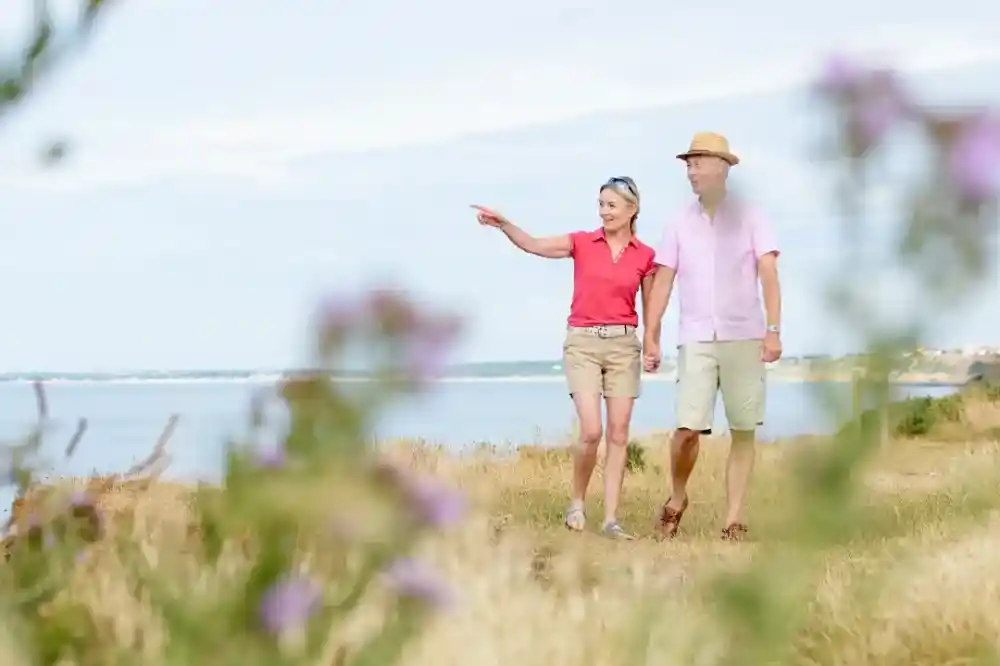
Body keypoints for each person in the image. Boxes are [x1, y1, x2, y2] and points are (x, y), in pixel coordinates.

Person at [472, 177, 656, 540]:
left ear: (632, 209)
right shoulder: (582, 242)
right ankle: (576, 502)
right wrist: (505, 224)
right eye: (601, 204)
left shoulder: (645, 255)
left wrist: (652, 344)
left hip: (623, 345)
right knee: (592, 430)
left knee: (619, 434)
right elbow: (534, 245)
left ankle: (611, 520)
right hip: (583, 344)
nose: (604, 212)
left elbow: (652, 307)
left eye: (611, 205)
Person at [643, 132, 782, 542]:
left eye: (698, 163)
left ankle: (733, 518)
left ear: (722, 167)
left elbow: (769, 273)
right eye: (688, 164)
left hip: (745, 336)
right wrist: (652, 335)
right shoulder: (677, 222)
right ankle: (678, 495)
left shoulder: (753, 216)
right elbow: (663, 279)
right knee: (686, 429)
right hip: (696, 337)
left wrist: (773, 330)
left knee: (743, 429)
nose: (691, 171)